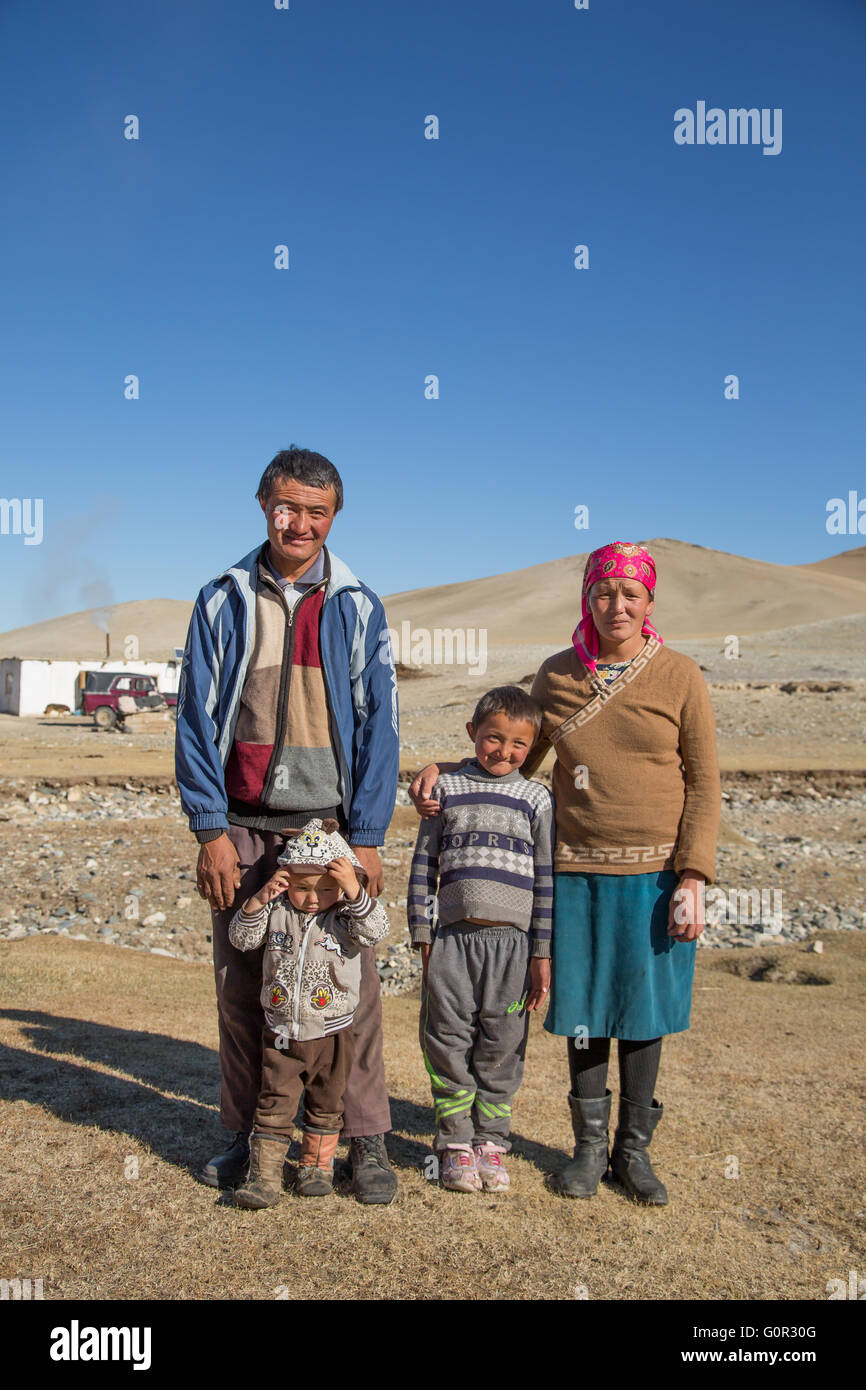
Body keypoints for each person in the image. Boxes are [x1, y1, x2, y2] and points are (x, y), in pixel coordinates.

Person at [411, 543, 720, 1206]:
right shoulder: (556, 677)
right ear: (588, 598)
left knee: (643, 1015)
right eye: (604, 593)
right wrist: (444, 769)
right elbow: (512, 759)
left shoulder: (681, 675)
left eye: (630, 594)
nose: (616, 605)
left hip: (656, 874)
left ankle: (632, 1154)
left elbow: (705, 781)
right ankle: (585, 1152)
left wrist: (693, 878)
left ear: (649, 602)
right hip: (572, 871)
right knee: (583, 1010)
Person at [175, 445, 400, 1203]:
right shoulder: (222, 599)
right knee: (243, 989)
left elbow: (380, 730)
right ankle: (246, 1135)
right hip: (242, 823)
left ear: (334, 517)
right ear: (263, 504)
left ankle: (364, 1140)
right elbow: (195, 723)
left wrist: (366, 836)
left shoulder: (360, 605)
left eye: (316, 511)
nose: (299, 523)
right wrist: (210, 828)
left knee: (353, 991)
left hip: (328, 829)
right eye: (287, 507)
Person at [408, 686, 554, 1193]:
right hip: (451, 941)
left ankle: (491, 1141)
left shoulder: (536, 798)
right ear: (472, 734)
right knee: (447, 1039)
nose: (505, 751)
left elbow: (545, 879)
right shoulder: (444, 791)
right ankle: (452, 1143)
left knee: (503, 1043)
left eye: (519, 744)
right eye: (494, 738)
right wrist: (422, 934)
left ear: (532, 748)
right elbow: (424, 865)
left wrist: (541, 952)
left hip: (512, 950)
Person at [229, 818, 390, 1204]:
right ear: (286, 880)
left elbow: (377, 930)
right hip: (282, 1032)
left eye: (326, 889)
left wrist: (354, 890)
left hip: (333, 1033)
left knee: (327, 1103)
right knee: (274, 1102)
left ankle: (315, 1169)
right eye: (302, 888)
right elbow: (241, 937)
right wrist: (259, 900)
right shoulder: (278, 911)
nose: (314, 898)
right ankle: (263, 1177)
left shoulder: (346, 918)